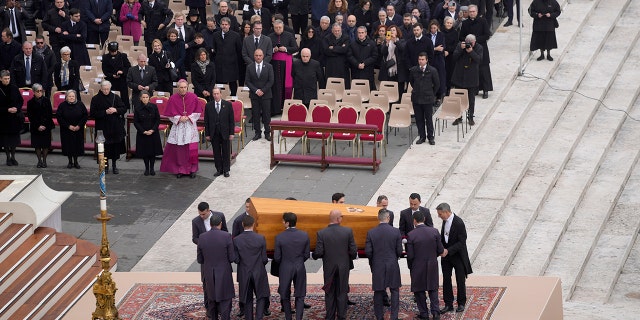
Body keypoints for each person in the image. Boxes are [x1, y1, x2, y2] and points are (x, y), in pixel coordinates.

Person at [312, 209, 357, 320]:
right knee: (342, 293)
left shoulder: (321, 233)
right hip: (343, 268)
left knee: (329, 293)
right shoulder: (348, 231)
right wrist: (347, 259)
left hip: (329, 268)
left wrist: (313, 255)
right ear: (338, 219)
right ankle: (341, 317)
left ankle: (330, 317)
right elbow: (353, 251)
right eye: (341, 216)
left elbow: (319, 252)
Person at [406, 210, 444, 320]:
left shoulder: (411, 235)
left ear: (414, 221)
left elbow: (410, 255)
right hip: (432, 265)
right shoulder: (434, 231)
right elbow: (440, 250)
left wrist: (411, 267)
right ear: (424, 219)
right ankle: (436, 313)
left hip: (417, 266)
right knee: (433, 289)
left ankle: (424, 313)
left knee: (419, 291)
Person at [160, 79, 202, 178]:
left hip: (190, 126)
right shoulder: (173, 98)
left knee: (191, 149)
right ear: (177, 88)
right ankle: (181, 169)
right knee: (180, 150)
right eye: (181, 87)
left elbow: (198, 112)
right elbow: (169, 115)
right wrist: (179, 118)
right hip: (178, 127)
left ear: (187, 87)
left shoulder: (193, 97)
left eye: (184, 87)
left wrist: (188, 117)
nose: (183, 89)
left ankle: (192, 169)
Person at [197, 213, 236, 320]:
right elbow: (232, 258)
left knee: (211, 300)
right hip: (224, 273)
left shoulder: (202, 237)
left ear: (210, 224)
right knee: (225, 299)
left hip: (209, 273)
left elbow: (200, 259)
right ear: (221, 224)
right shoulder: (226, 236)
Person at [365, 209, 402, 320]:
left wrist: (374, 261)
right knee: (394, 291)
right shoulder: (396, 231)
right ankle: (394, 317)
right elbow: (399, 251)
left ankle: (379, 317)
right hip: (392, 264)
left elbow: (368, 252)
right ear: (388, 218)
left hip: (378, 265)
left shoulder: (371, 232)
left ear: (378, 218)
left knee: (378, 291)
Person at [437, 202, 472, 314]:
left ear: (446, 212)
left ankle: (461, 303)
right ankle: (448, 304)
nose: (439, 216)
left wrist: (449, 250)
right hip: (446, 257)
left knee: (460, 280)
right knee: (446, 279)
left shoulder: (459, 223)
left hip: (458, 256)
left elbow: (462, 242)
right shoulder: (444, 221)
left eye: (440, 214)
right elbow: (444, 237)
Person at [274, 212, 310, 320]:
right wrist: (299, 261)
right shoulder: (304, 235)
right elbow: (307, 254)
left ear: (287, 223)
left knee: (285, 294)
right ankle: (299, 318)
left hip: (285, 267)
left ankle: (288, 317)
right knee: (300, 294)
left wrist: (285, 262)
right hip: (300, 266)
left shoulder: (279, 237)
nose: (282, 222)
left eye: (283, 221)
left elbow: (277, 257)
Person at [233, 215, 270, 320]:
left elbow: (236, 259)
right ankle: (258, 317)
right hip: (259, 272)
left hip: (244, 272)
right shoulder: (260, 238)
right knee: (261, 296)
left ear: (242, 225)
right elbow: (264, 259)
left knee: (247, 298)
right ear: (253, 224)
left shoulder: (237, 240)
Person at [90, 80, 127, 174]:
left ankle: (114, 166)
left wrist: (115, 110)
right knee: (103, 148)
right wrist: (105, 112)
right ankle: (104, 167)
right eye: (104, 89)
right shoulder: (95, 99)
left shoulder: (116, 97)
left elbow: (123, 109)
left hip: (114, 126)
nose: (106, 91)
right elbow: (93, 113)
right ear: (101, 89)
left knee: (114, 148)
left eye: (107, 89)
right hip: (102, 127)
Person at [459, 4, 492, 99]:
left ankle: (485, 90)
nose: (472, 13)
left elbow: (487, 35)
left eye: (474, 11)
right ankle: (475, 89)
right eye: (470, 12)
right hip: (470, 50)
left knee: (484, 69)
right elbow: (461, 36)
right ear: (468, 13)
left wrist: (475, 40)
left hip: (481, 48)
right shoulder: (465, 23)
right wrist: (467, 41)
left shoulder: (483, 21)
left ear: (477, 12)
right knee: (473, 70)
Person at [451, 33, 482, 126]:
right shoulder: (460, 45)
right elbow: (454, 57)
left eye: (471, 43)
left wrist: (471, 51)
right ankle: (458, 117)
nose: (469, 44)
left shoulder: (479, 47)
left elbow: (479, 60)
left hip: (471, 78)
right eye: (467, 42)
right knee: (458, 98)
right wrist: (461, 49)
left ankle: (470, 117)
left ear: (474, 42)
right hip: (459, 76)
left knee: (471, 99)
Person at [409, 52, 439, 145]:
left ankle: (431, 137)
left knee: (428, 118)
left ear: (426, 60)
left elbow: (437, 84)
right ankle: (422, 136)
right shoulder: (414, 70)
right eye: (419, 59)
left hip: (428, 98)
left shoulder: (432, 70)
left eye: (422, 59)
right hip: (417, 98)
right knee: (419, 118)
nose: (420, 61)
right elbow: (411, 82)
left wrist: (431, 93)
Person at [268, 20, 298, 115]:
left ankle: (286, 108)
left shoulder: (289, 35)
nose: (278, 29)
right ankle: (276, 109)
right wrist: (274, 50)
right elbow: (266, 49)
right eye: (276, 28)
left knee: (286, 86)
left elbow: (295, 48)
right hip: (274, 64)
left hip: (286, 64)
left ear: (283, 27)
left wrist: (285, 49)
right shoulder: (270, 36)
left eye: (280, 28)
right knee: (275, 86)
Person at [204, 87, 235, 178]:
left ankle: (226, 170)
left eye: (218, 94)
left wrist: (231, 133)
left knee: (226, 151)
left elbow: (231, 120)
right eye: (214, 94)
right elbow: (206, 121)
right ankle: (219, 169)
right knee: (216, 152)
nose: (216, 95)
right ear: (212, 94)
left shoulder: (227, 105)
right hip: (214, 133)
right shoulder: (208, 106)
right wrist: (207, 134)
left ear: (221, 94)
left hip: (225, 132)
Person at [245, 48, 274, 142]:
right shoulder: (250, 67)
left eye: (260, 55)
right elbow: (248, 81)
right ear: (254, 56)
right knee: (256, 114)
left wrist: (263, 90)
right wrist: (256, 90)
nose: (258, 57)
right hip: (254, 95)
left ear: (263, 56)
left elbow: (271, 81)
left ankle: (267, 132)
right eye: (256, 55)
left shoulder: (269, 66)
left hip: (266, 95)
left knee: (266, 115)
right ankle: (257, 133)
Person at [133, 91, 163, 175]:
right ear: (140, 98)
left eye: (146, 97)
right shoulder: (137, 108)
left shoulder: (154, 107)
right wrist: (143, 131)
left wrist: (152, 130)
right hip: (143, 132)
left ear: (149, 98)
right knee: (145, 152)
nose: (145, 99)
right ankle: (146, 168)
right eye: (143, 97)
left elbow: (157, 119)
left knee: (152, 152)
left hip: (153, 132)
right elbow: (136, 122)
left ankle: (152, 168)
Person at [56, 89, 87, 169]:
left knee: (77, 145)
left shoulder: (80, 104)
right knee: (68, 145)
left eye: (73, 96)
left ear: (75, 97)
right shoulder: (62, 105)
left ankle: (76, 162)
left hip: (78, 129)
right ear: (66, 97)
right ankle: (70, 162)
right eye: (69, 96)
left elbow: (85, 116)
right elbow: (59, 117)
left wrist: (79, 126)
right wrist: (68, 126)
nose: (71, 98)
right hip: (66, 129)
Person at [212, 17, 242, 96]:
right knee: (220, 84)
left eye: (226, 24)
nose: (224, 26)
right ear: (220, 25)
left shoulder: (236, 36)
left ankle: (233, 100)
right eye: (223, 24)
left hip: (232, 65)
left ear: (229, 25)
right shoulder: (215, 35)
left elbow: (239, 50)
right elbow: (214, 49)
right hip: (219, 65)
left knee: (233, 84)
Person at [26, 83, 54, 168]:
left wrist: (44, 125)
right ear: (33, 92)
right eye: (37, 91)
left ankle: (44, 161)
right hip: (36, 127)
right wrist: (38, 126)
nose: (40, 93)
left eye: (41, 91)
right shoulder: (30, 102)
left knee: (45, 145)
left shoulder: (46, 100)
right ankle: (39, 161)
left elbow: (50, 114)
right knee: (37, 145)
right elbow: (30, 116)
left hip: (46, 126)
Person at [0, 70, 24, 166]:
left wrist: (16, 108)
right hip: (3, 118)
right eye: (5, 79)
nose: (7, 80)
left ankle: (13, 157)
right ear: (0, 79)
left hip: (14, 117)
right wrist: (7, 109)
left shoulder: (14, 88)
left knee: (13, 140)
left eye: (8, 79)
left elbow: (20, 101)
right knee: (5, 140)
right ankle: (8, 157)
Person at [102, 41, 131, 110]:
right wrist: (112, 75)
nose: (113, 53)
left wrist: (122, 72)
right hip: (111, 80)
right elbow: (105, 70)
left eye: (114, 52)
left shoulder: (123, 56)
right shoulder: (105, 57)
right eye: (112, 52)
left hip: (121, 80)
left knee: (123, 98)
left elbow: (128, 67)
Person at [379, 25, 407, 97]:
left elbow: (402, 49)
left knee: (399, 89)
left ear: (397, 32)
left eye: (393, 30)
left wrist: (395, 41)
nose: (392, 32)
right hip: (388, 68)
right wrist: (387, 43)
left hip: (398, 69)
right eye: (390, 31)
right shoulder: (386, 41)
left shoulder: (402, 41)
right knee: (388, 89)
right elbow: (382, 52)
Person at [348, 26, 378, 90]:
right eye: (359, 33)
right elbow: (350, 56)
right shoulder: (352, 44)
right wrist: (357, 64)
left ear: (366, 33)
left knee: (368, 91)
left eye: (362, 32)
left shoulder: (372, 43)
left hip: (368, 71)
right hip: (356, 71)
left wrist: (364, 63)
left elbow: (374, 56)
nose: (360, 34)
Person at [441, 16, 459, 93]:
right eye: (447, 23)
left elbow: (455, 44)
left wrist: (448, 51)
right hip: (441, 54)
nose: (449, 24)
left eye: (450, 23)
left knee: (449, 72)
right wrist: (443, 51)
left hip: (450, 55)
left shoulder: (455, 32)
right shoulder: (440, 31)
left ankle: (448, 88)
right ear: (445, 23)